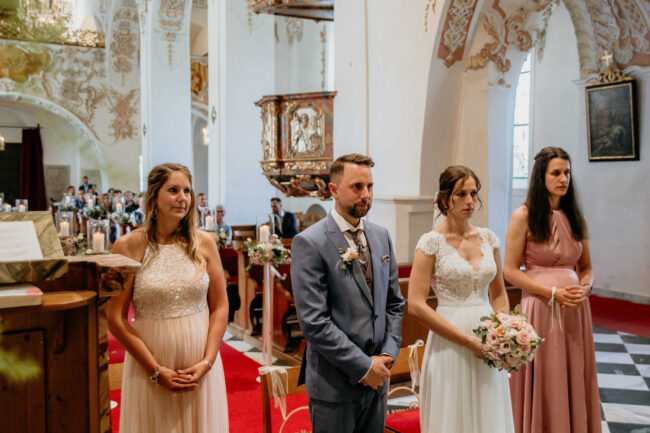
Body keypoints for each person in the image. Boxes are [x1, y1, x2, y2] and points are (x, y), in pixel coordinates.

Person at [107, 163, 229, 433]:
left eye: (187, 191)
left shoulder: (205, 242)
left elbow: (220, 306)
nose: (182, 198)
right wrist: (155, 370)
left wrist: (208, 361)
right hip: (150, 365)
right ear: (154, 196)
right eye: (173, 190)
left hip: (201, 366)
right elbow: (115, 317)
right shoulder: (128, 245)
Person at [292, 154, 404, 433]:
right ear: (333, 189)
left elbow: (394, 303)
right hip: (335, 386)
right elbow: (314, 322)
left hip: (378, 380)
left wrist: (388, 353)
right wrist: (364, 367)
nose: (366, 194)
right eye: (357, 187)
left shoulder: (381, 236)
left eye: (369, 186)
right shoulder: (310, 242)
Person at [408, 166, 514, 433]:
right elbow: (416, 304)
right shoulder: (431, 243)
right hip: (449, 338)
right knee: (453, 413)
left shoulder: (488, 238)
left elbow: (498, 293)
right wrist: (467, 341)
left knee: (488, 408)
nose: (470, 201)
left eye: (473, 193)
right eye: (461, 194)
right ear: (445, 199)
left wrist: (503, 329)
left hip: (488, 338)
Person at [505, 147, 600, 433]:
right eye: (556, 173)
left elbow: (587, 267)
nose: (563, 179)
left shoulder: (576, 217)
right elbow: (510, 271)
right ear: (541, 177)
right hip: (540, 308)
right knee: (547, 374)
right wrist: (552, 293)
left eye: (567, 173)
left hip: (575, 310)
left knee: (575, 372)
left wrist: (585, 287)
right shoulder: (524, 215)